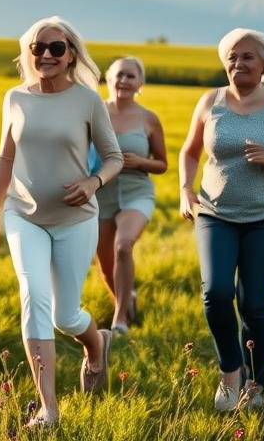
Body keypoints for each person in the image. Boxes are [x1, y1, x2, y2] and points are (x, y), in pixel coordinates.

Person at [0, 16, 122, 427]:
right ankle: (49, 409)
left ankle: (96, 346)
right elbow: (5, 157)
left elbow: (114, 158)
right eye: (37, 48)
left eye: (56, 48)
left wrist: (94, 182)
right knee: (34, 298)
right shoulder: (15, 97)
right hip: (23, 216)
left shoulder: (87, 100)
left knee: (66, 316)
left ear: (71, 54)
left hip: (76, 220)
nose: (45, 55)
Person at [178, 29, 264, 412]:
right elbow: (189, 152)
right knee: (216, 293)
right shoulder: (210, 101)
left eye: (248, 57)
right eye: (232, 57)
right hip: (215, 214)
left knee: (253, 302)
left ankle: (256, 383)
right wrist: (185, 190)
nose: (239, 63)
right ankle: (230, 373)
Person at [92, 56, 168, 334]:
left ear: (140, 83)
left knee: (123, 246)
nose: (124, 81)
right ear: (108, 79)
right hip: (101, 195)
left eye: (131, 76)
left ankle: (120, 320)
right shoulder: (94, 111)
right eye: (119, 75)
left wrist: (140, 162)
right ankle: (126, 298)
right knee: (105, 264)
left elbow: (162, 164)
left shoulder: (149, 119)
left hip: (138, 193)